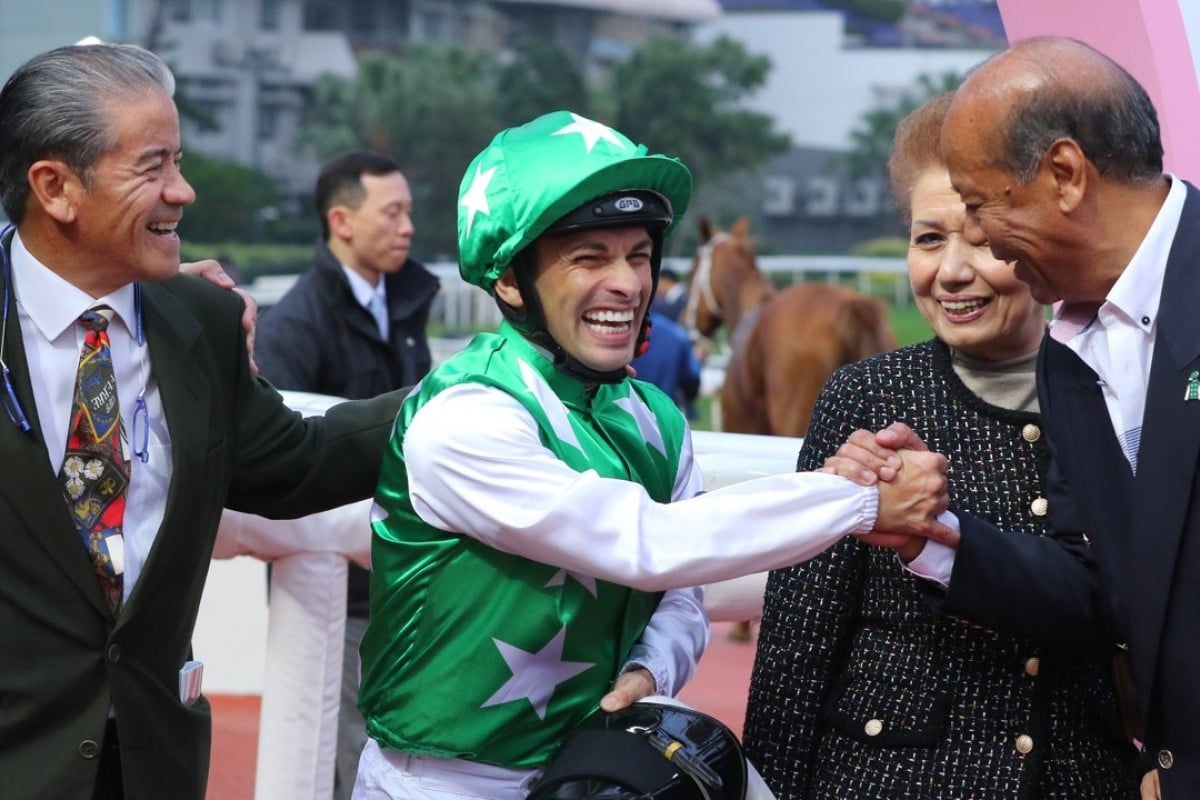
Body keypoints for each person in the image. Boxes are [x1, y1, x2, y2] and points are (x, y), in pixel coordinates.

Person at [351, 110, 950, 800]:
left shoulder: (653, 416)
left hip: (588, 770)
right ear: (511, 281)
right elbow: (648, 543)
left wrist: (653, 667)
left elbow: (681, 588)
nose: (629, 284)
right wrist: (860, 497)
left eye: (638, 255)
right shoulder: (465, 420)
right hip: (440, 785)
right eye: (590, 258)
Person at [0, 43, 404, 800]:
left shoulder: (203, 319)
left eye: (178, 160)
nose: (182, 191)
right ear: (55, 187)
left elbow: (293, 464)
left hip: (152, 762)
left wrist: (467, 398)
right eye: (152, 166)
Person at [739, 91, 1140, 799]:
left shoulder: (1118, 391)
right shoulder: (864, 399)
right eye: (929, 239)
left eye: (981, 238)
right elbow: (798, 646)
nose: (952, 271)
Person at [827, 37, 1198, 799]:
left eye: (980, 203)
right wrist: (931, 539)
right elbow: (1105, 583)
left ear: (1064, 175)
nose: (978, 244)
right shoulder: (1068, 356)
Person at [255, 149, 440, 799]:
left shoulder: (407, 302)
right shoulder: (294, 327)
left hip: (410, 591)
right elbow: (280, 466)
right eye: (392, 212)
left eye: (409, 211)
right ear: (341, 220)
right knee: (348, 767)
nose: (408, 227)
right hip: (339, 601)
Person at [630, 308, 701, 418]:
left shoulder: (623, 331)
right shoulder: (678, 335)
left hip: (625, 413)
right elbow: (692, 377)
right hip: (666, 415)